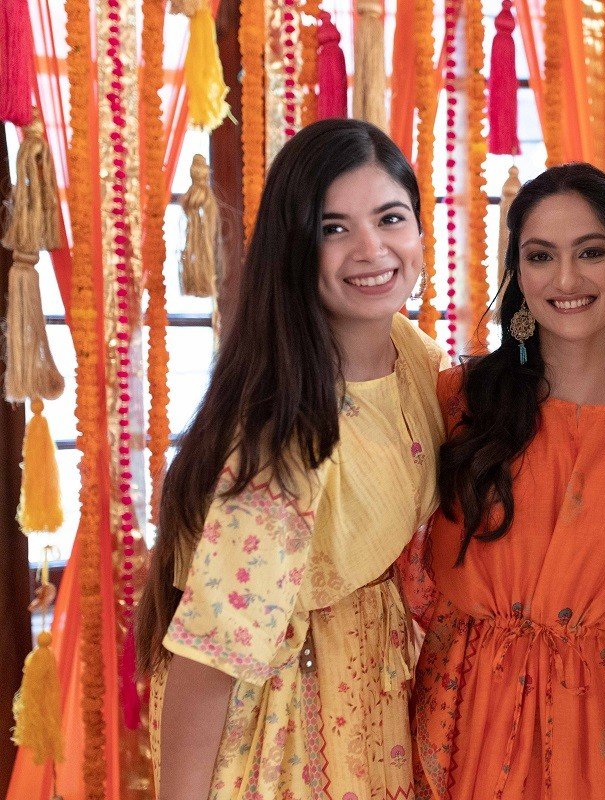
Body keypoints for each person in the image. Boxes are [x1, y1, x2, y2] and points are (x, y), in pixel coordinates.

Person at [135, 118, 447, 800]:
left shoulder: (414, 356)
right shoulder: (286, 435)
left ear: (420, 231)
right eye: (334, 229)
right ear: (296, 249)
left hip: (378, 710)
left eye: (390, 218)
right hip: (290, 732)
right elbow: (210, 660)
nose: (372, 250)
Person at [403, 162, 605, 800]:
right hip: (461, 720)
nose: (566, 279)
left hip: (604, 734)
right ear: (518, 274)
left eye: (591, 253)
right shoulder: (457, 402)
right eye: (541, 256)